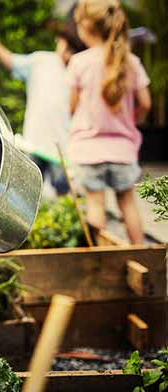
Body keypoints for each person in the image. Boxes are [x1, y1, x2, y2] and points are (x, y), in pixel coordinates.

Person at [69, 0, 151, 244]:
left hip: (88, 149)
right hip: (123, 150)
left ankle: (99, 259)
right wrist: (133, 121)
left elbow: (72, 107)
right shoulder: (131, 62)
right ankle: (141, 255)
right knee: (128, 204)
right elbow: (145, 103)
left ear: (85, 27)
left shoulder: (79, 62)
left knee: (95, 204)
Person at [0, 22, 86, 196]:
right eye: (66, 45)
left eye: (73, 49)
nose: (67, 52)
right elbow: (13, 62)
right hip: (34, 142)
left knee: (64, 192)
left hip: (63, 147)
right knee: (27, 192)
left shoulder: (79, 69)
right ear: (59, 41)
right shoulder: (41, 60)